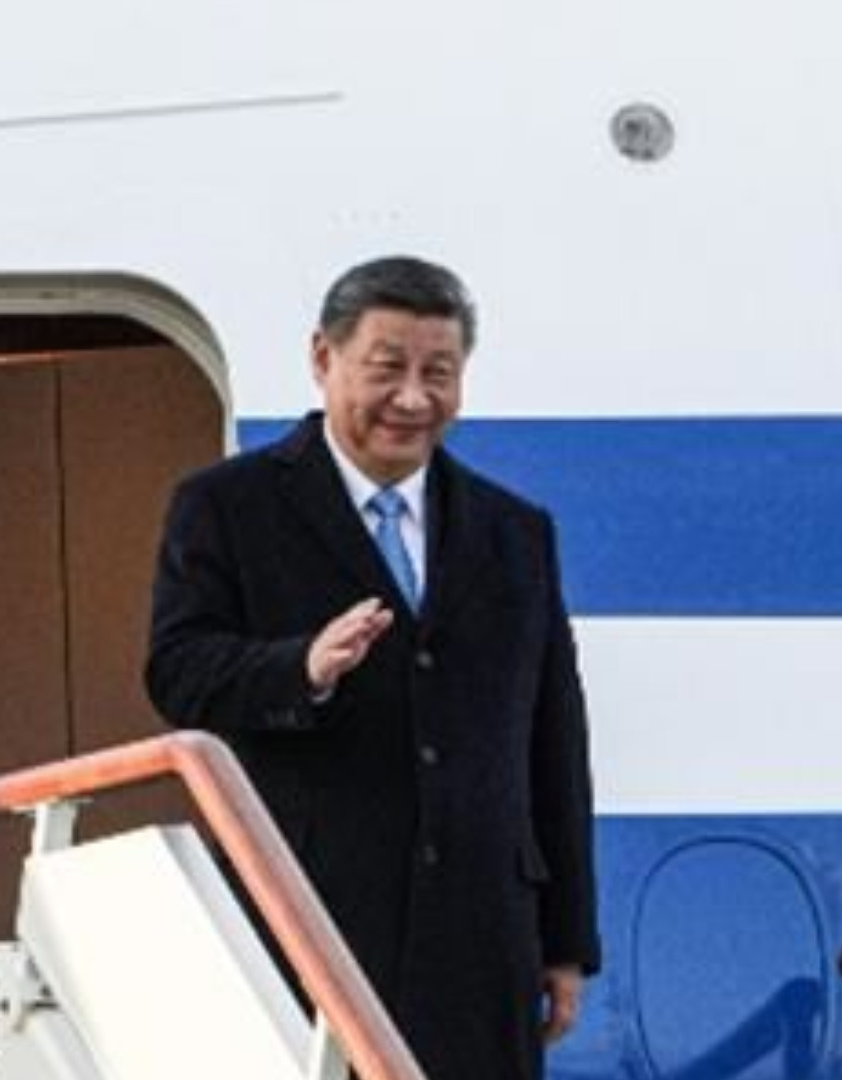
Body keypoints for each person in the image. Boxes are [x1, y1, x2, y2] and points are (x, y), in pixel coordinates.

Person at [144, 256, 599, 1080]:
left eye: (440, 373)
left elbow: (553, 740)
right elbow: (177, 671)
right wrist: (302, 669)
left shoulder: (514, 531)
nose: (414, 399)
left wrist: (566, 940)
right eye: (387, 368)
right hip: (311, 916)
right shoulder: (227, 506)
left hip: (483, 933)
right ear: (323, 358)